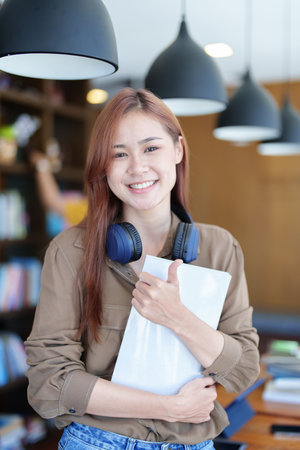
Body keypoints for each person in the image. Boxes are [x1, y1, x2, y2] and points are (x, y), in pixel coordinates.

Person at [24, 88, 260, 450]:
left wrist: (178, 317)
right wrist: (169, 407)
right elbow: (48, 383)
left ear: (178, 150)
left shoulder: (220, 247)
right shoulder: (71, 250)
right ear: (104, 165)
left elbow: (243, 369)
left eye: (151, 148)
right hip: (97, 440)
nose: (137, 167)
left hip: (193, 443)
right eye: (119, 154)